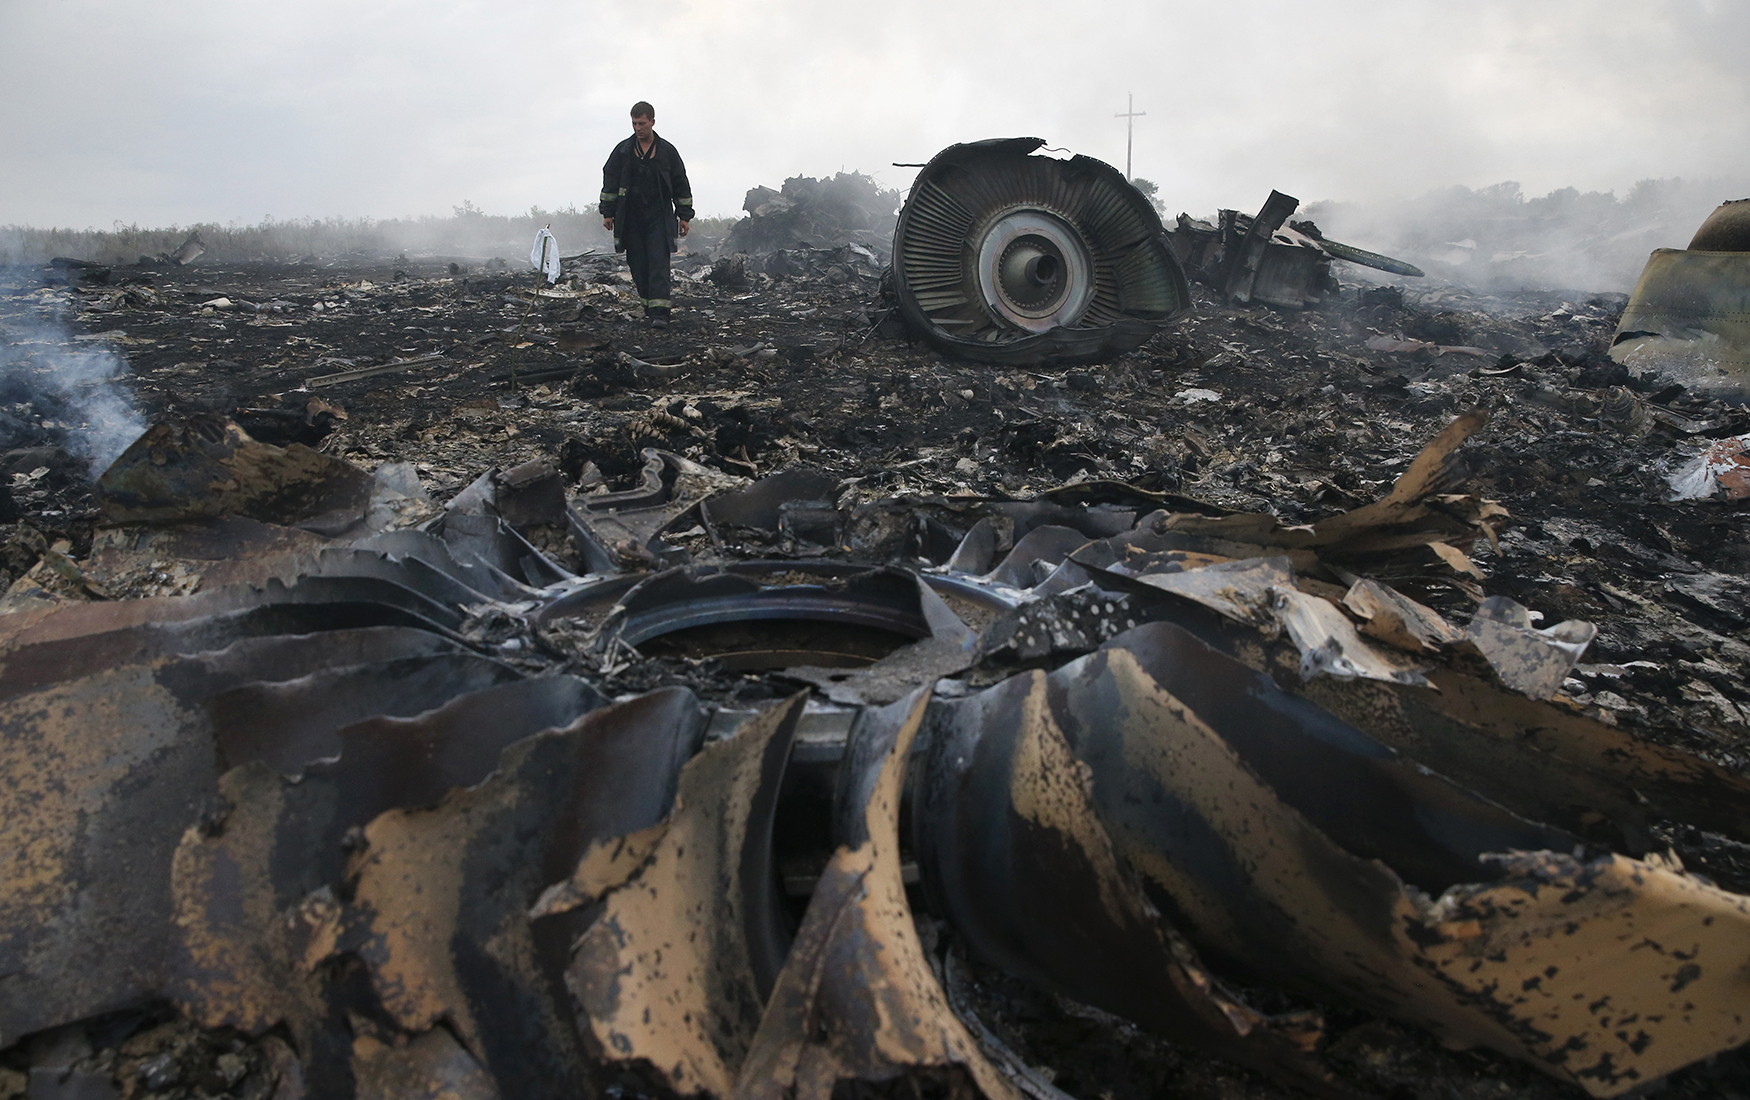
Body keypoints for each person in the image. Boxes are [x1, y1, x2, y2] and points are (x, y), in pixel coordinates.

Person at [599, 101, 694, 328]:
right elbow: (609, 181)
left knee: (659, 262)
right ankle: (648, 307)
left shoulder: (667, 152)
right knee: (638, 264)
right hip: (630, 217)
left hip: (658, 216)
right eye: (634, 123)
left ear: (652, 122)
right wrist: (607, 213)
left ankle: (661, 313)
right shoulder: (622, 151)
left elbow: (681, 183)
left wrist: (684, 216)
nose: (638, 128)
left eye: (642, 123)